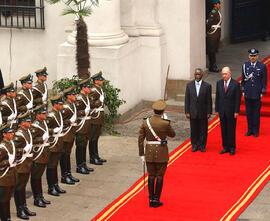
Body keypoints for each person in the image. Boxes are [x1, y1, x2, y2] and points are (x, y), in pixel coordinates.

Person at [138, 99, 176, 208]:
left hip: (149, 151)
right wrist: (167, 121)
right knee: (159, 175)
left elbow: (140, 139)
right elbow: (172, 134)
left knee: (151, 175)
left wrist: (141, 154)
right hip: (161, 152)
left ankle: (151, 199)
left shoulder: (146, 122)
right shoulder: (165, 123)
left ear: (153, 110)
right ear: (163, 111)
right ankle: (156, 199)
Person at [14, 112, 36, 219]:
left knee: (23, 186)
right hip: (21, 165)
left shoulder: (26, 131)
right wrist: (22, 150)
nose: (30, 122)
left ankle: (24, 206)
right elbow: (14, 151)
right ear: (22, 123)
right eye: (28, 121)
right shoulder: (19, 135)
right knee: (19, 188)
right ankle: (20, 209)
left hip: (27, 164)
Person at [241, 48, 268, 137]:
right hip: (248, 93)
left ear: (257, 56)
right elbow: (243, 79)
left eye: (254, 56)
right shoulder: (245, 65)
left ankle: (256, 130)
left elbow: (264, 81)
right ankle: (249, 130)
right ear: (249, 56)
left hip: (257, 93)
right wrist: (243, 90)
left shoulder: (262, 66)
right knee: (248, 113)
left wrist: (262, 92)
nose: (252, 57)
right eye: (251, 56)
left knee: (256, 113)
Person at [185, 68, 212, 152]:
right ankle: (194, 145)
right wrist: (187, 111)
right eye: (196, 74)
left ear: (202, 75)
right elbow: (187, 100)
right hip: (192, 112)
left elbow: (209, 100)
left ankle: (202, 145)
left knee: (203, 130)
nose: (197, 76)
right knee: (194, 130)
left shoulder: (207, 86)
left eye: (199, 74)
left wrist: (209, 112)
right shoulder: (189, 85)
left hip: (203, 112)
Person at [215, 67, 241, 155]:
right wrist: (217, 109)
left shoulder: (236, 84)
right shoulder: (219, 83)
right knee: (223, 130)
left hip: (231, 111)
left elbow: (238, 99)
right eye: (222, 74)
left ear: (230, 74)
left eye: (225, 74)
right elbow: (217, 97)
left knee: (231, 130)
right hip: (222, 111)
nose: (224, 76)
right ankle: (225, 147)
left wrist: (236, 111)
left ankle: (232, 147)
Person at [30, 104, 51, 208]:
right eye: (43, 113)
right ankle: (36, 198)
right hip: (38, 154)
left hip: (44, 152)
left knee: (40, 175)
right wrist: (41, 139)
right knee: (36, 176)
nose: (45, 114)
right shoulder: (34, 126)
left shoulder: (43, 123)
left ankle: (40, 196)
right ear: (38, 115)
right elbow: (31, 140)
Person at [46, 96, 66, 196]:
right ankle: (51, 187)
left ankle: (55, 184)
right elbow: (45, 129)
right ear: (55, 105)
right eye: (60, 104)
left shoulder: (58, 113)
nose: (62, 106)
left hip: (58, 142)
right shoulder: (50, 116)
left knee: (55, 165)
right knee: (51, 166)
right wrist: (52, 131)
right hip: (53, 144)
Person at [60, 87, 80, 184]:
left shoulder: (72, 105)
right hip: (66, 135)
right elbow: (61, 122)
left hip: (71, 133)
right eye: (73, 95)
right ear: (68, 96)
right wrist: (69, 121)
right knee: (64, 155)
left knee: (68, 154)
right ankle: (64, 176)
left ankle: (68, 173)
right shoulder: (65, 107)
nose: (75, 96)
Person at [75, 79, 93, 174]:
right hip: (81, 126)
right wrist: (83, 112)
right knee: (80, 146)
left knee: (84, 145)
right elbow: (75, 112)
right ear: (83, 88)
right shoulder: (79, 98)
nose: (90, 88)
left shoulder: (86, 97)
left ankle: (83, 164)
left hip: (86, 125)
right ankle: (79, 166)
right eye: (88, 87)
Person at [0, 123, 18, 221]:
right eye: (9, 133)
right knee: (3, 200)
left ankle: (7, 217)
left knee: (7, 199)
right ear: (4, 134)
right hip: (4, 178)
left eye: (12, 133)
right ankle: (5, 218)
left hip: (12, 176)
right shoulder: (2, 147)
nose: (12, 134)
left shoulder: (11, 144)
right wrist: (7, 162)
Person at [89, 72, 107, 165]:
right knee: (92, 138)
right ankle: (92, 157)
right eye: (100, 80)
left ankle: (96, 156)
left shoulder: (99, 89)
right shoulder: (93, 90)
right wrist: (98, 103)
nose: (102, 81)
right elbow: (90, 103)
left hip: (99, 116)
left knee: (96, 137)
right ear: (96, 81)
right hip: (94, 117)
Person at [206, 0, 222, 73]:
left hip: (216, 33)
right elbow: (209, 23)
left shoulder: (217, 12)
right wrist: (209, 31)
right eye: (219, 4)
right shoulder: (213, 12)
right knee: (211, 50)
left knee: (214, 49)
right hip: (213, 33)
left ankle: (214, 65)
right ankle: (212, 66)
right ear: (215, 5)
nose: (220, 5)